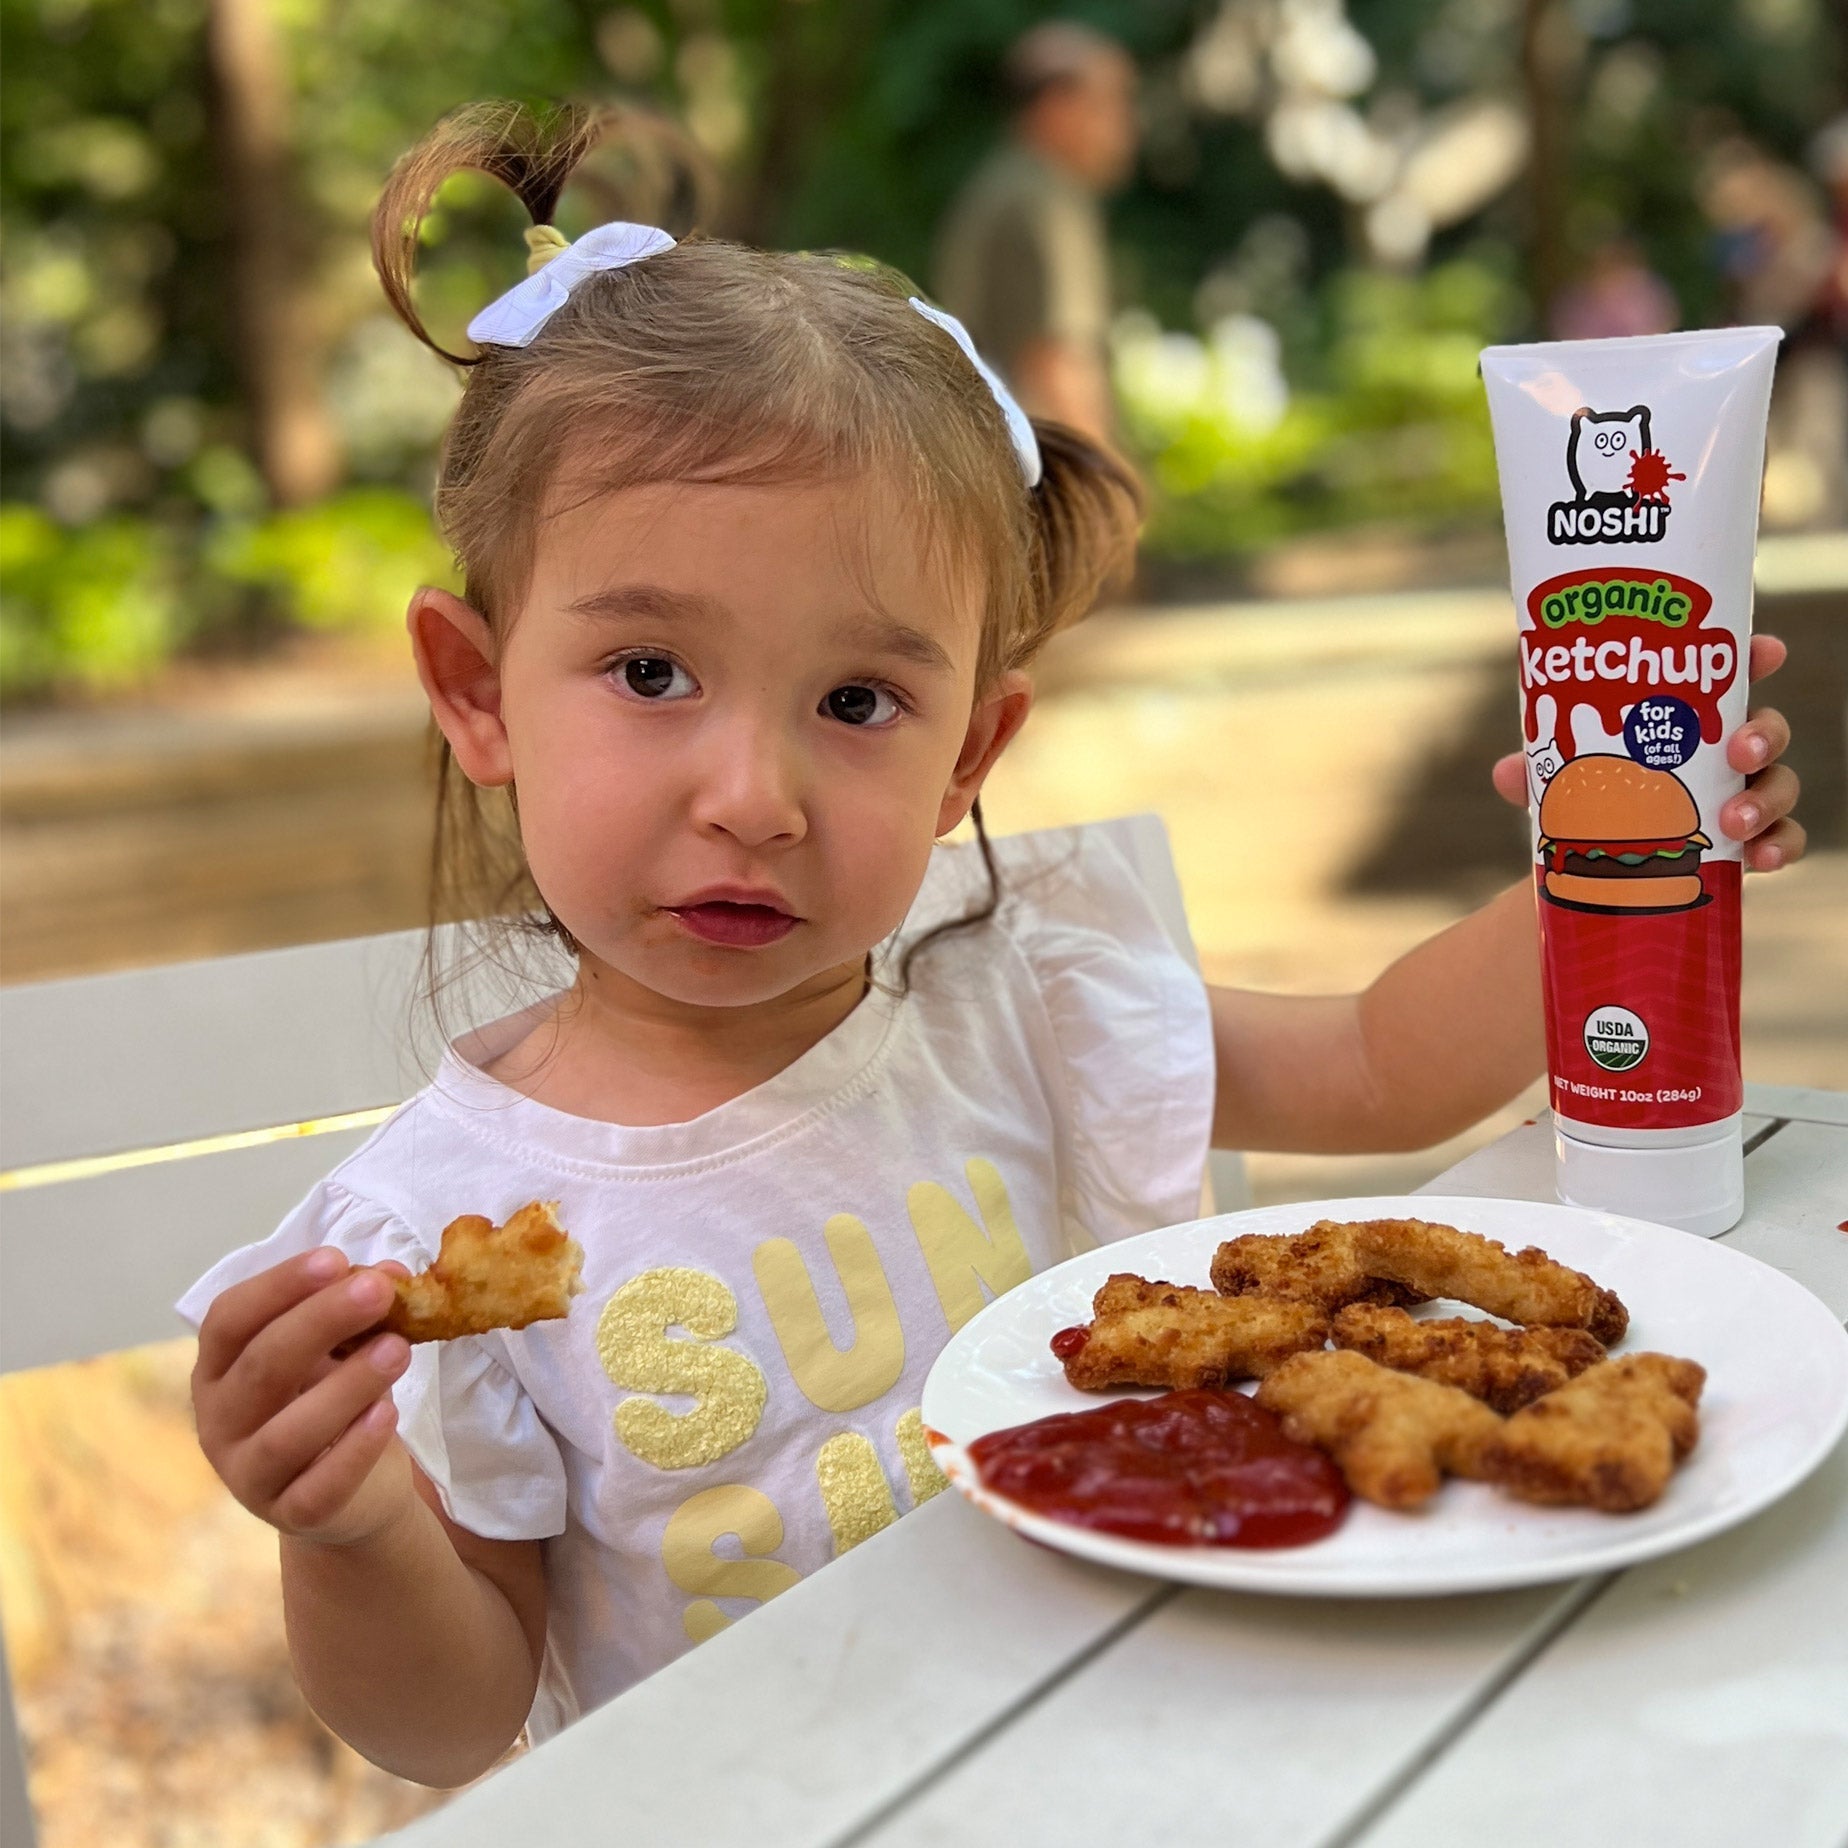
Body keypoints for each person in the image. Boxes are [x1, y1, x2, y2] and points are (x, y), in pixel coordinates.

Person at [178, 100, 1806, 1790]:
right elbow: (446, 1721)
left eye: (858, 700)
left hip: (1141, 1755)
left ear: (969, 753)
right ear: (472, 689)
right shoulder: (425, 1236)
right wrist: (352, 1513)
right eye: (651, 670)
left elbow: (1388, 1067)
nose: (755, 795)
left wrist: (1627, 858)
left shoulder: (1013, 996)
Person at [934, 22, 1137, 444]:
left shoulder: (1006, 184)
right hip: (1037, 471)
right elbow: (1057, 363)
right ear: (1057, 106)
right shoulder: (1044, 201)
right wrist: (1108, 495)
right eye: (1111, 103)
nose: (1126, 126)